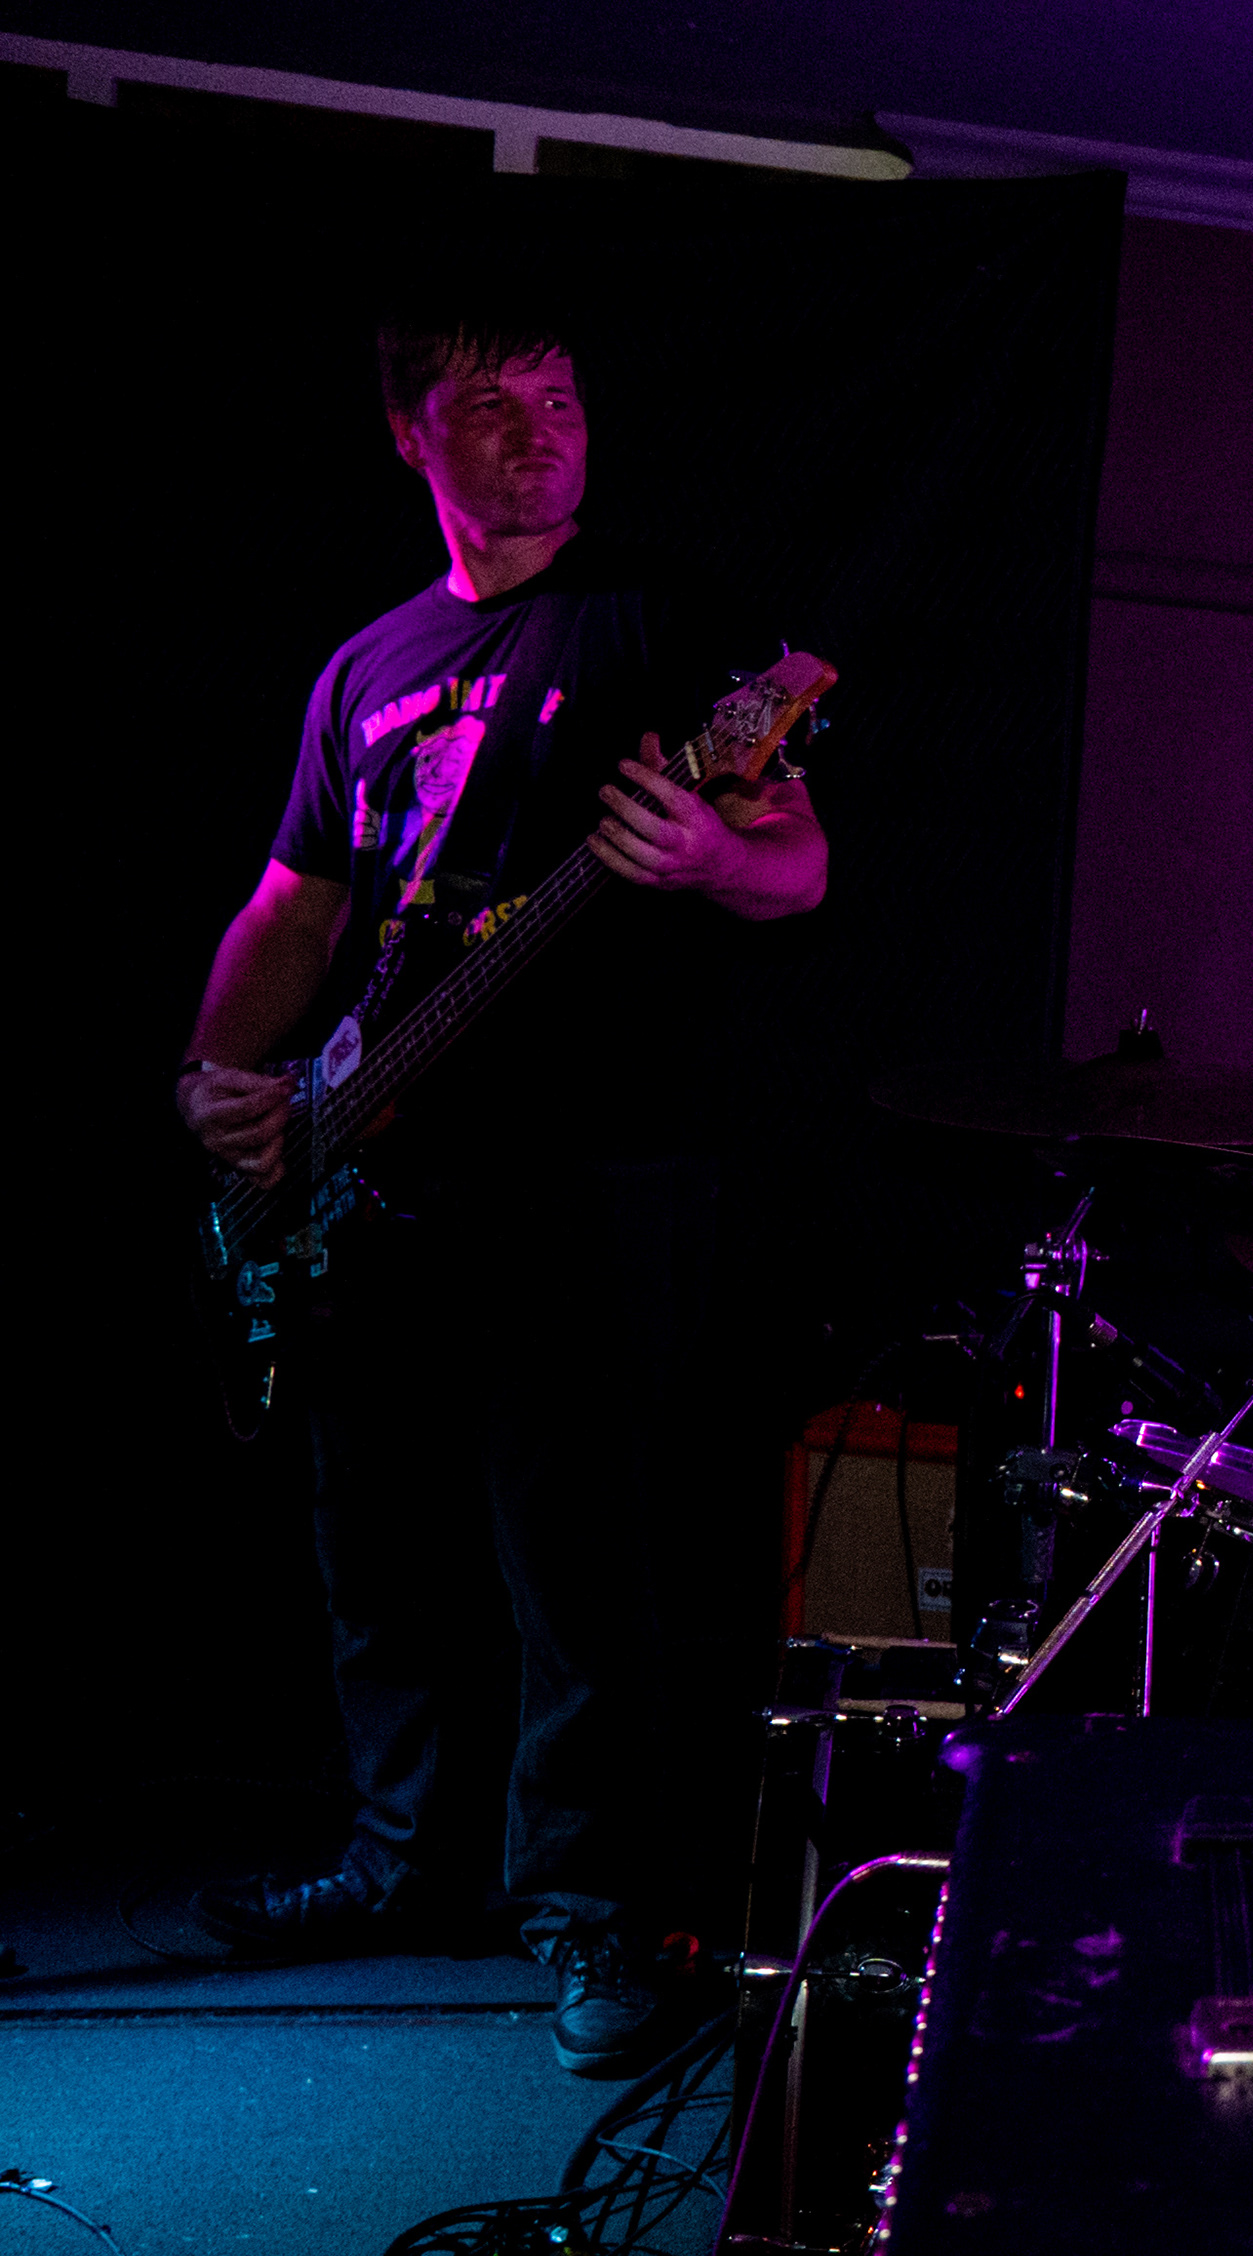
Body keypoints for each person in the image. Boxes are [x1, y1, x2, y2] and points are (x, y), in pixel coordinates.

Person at [171, 301, 826, 2074]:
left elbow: (800, 859)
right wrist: (220, 1078)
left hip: (596, 1164)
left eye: (559, 397)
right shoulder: (366, 668)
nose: (540, 430)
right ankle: (400, 1857)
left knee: (577, 1554)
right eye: (491, 402)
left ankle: (593, 1909)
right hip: (372, 1160)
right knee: (374, 1537)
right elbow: (299, 900)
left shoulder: (668, 622)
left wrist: (712, 853)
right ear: (411, 434)